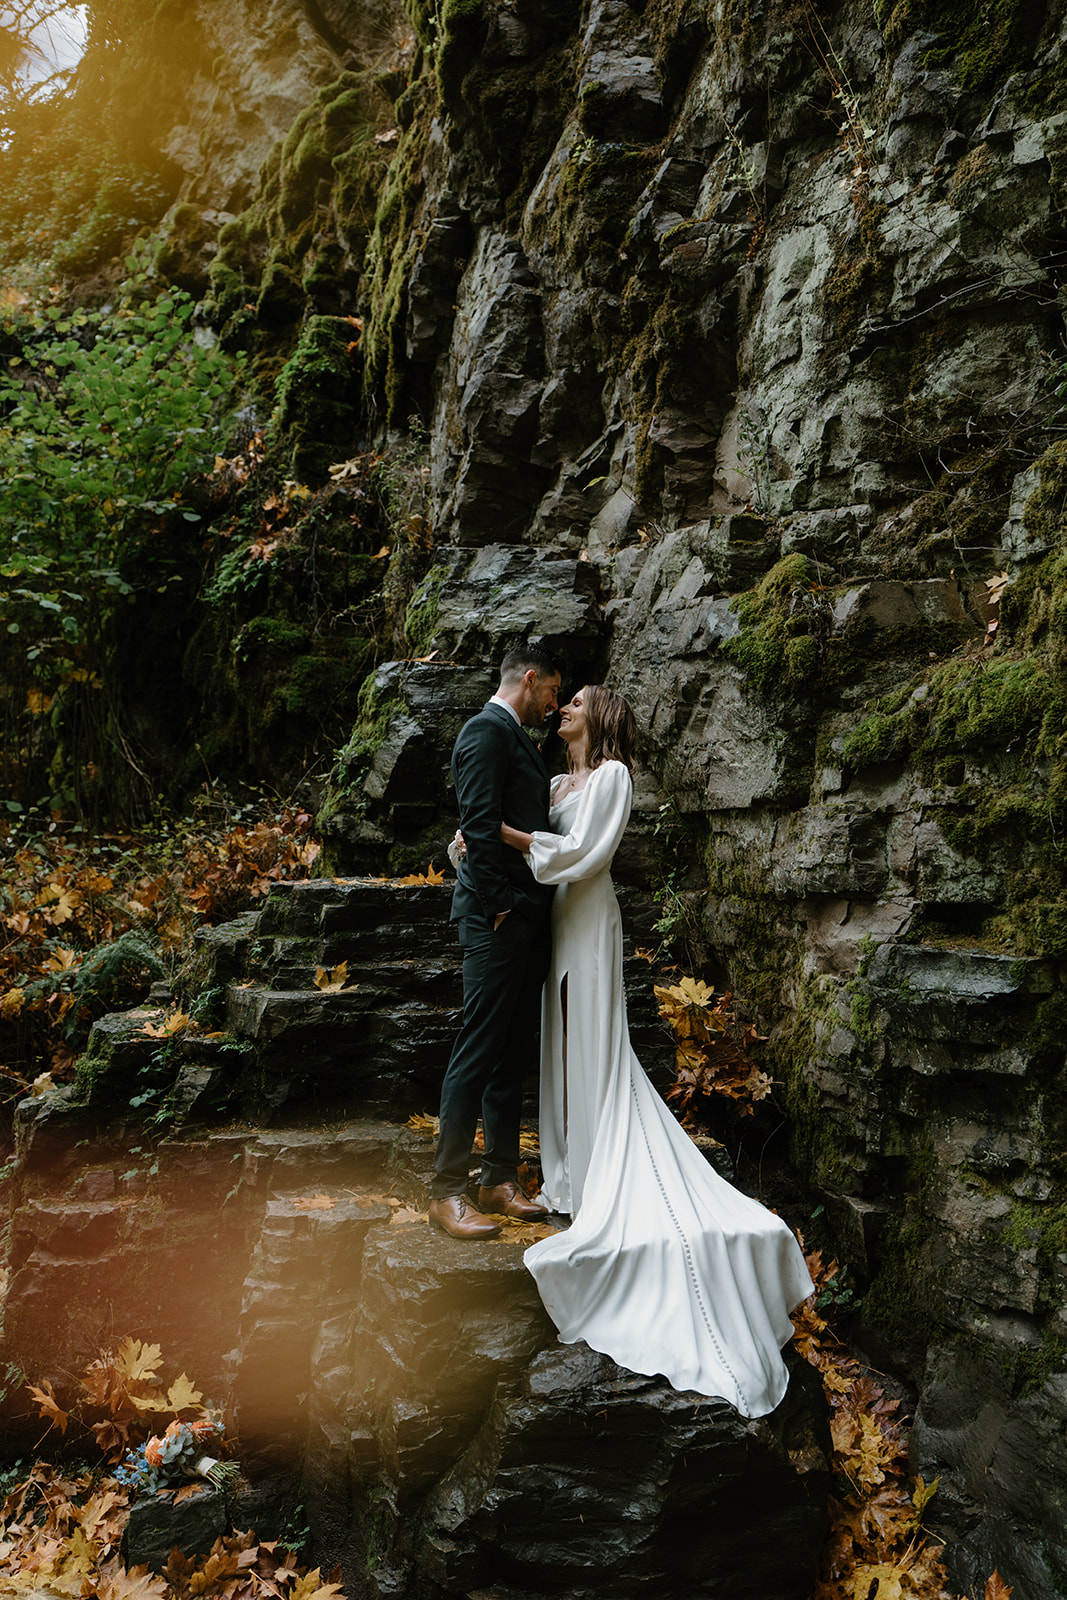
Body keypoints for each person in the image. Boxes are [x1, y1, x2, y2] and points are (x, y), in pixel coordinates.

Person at [499, 685, 815, 1417]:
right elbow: (533, 840)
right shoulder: (552, 783)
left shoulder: (611, 778)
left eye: (575, 700)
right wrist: (481, 839)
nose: (564, 707)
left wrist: (512, 838)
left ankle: (599, 1171)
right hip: (555, 925)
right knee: (563, 1041)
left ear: (601, 715)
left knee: (594, 1044)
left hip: (590, 918)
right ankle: (570, 1174)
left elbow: (583, 853)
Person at [429, 643, 563, 1240]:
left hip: (525, 921)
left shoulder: (520, 741)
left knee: (512, 1051)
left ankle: (498, 1179)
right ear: (529, 680)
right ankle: (447, 1191)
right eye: (552, 692)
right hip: (495, 920)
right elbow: (479, 829)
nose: (554, 705)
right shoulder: (484, 733)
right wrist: (504, 911)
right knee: (478, 1049)